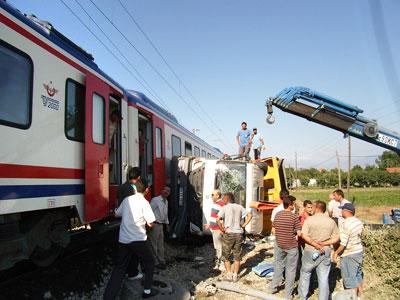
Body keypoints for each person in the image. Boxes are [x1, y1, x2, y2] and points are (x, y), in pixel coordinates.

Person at [103, 180, 157, 300]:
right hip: (138, 239)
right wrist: (148, 224)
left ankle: (108, 297)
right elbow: (151, 222)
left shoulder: (127, 200)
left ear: (134, 189)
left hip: (124, 239)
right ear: (147, 190)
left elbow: (117, 214)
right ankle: (147, 291)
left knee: (120, 267)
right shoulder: (144, 202)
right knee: (149, 262)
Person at [298, 201, 339, 300]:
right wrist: (324, 244)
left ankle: (303, 296)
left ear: (316, 208)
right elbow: (336, 238)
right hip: (325, 250)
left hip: (310, 250)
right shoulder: (331, 221)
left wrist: (315, 244)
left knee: (305, 273)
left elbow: (304, 235)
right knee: (324, 277)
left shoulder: (309, 220)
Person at [269, 195, 301, 299]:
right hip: (291, 246)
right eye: (294, 204)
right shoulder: (294, 217)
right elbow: (299, 233)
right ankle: (287, 295)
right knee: (291, 270)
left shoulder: (278, 214)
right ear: (290, 205)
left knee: (278, 266)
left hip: (279, 244)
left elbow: (274, 228)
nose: (295, 205)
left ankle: (273, 288)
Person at [216, 192, 252, 282]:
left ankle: (229, 274)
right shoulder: (239, 207)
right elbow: (250, 215)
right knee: (237, 255)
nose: (223, 200)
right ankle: (235, 275)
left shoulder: (224, 208)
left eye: (224, 199)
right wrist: (244, 225)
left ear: (227, 199)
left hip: (228, 234)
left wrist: (222, 228)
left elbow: (217, 219)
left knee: (226, 255)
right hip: (239, 234)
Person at [333, 203, 364, 299]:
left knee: (350, 280)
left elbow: (343, 243)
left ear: (346, 211)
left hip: (349, 254)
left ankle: (352, 298)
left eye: (342, 210)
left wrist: (336, 253)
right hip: (358, 251)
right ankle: (359, 296)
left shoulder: (345, 224)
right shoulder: (359, 222)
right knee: (357, 276)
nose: (341, 211)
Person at [149, 186, 171, 269]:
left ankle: (161, 260)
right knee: (154, 244)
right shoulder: (156, 200)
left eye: (168, 191)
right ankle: (155, 262)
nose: (166, 191)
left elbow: (165, 215)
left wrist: (167, 224)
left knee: (160, 244)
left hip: (161, 225)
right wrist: (149, 224)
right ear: (161, 191)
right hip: (154, 224)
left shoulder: (166, 202)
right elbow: (149, 211)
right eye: (165, 189)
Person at [204, 190, 226, 270]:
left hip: (218, 229)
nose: (212, 196)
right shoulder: (216, 204)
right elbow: (214, 216)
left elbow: (224, 218)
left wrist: (221, 228)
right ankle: (219, 263)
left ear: (218, 196)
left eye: (213, 195)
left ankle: (221, 264)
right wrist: (209, 224)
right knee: (218, 247)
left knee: (219, 247)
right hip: (214, 228)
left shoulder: (221, 205)